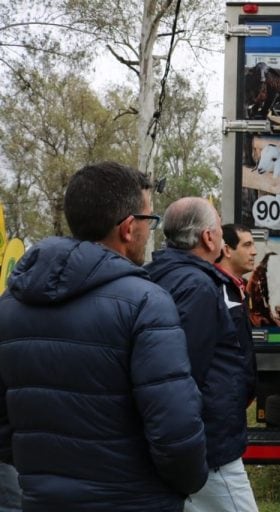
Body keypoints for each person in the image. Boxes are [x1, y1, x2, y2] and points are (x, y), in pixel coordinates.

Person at [0, 162, 208, 511]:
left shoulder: (10, 305)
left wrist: (42, 473)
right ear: (128, 228)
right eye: (148, 221)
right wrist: (183, 484)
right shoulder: (146, 303)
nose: (149, 231)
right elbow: (175, 432)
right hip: (136, 500)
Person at [146, 198, 258, 512]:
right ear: (208, 238)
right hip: (207, 445)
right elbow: (185, 373)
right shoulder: (199, 286)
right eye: (218, 230)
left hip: (180, 440)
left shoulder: (154, 275)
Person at [215, 223, 258, 403]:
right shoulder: (216, 291)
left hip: (234, 397)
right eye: (247, 245)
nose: (254, 251)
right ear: (227, 250)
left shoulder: (238, 289)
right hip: (223, 398)